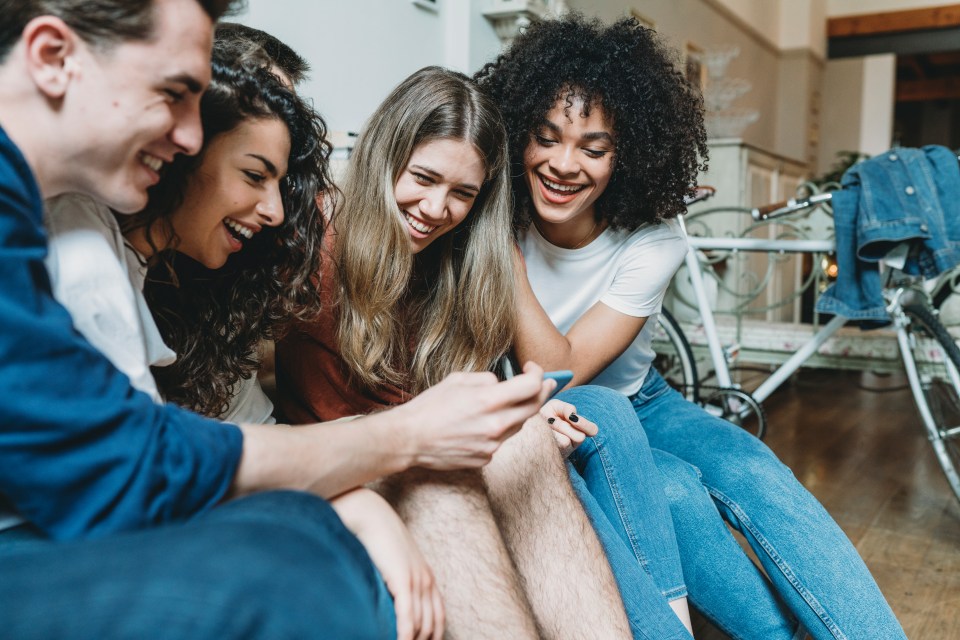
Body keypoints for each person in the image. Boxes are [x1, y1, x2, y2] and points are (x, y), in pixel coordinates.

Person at [0, 2, 552, 638]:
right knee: (296, 564)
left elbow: (156, 436)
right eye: (175, 94)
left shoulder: (105, 240)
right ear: (50, 56)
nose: (187, 135)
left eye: (465, 195)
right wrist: (403, 439)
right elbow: (127, 462)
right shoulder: (76, 237)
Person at [475, 14, 908, 640]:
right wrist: (502, 238)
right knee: (673, 491)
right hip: (551, 420)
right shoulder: (489, 212)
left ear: (626, 156)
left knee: (757, 471)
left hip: (643, 402)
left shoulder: (652, 238)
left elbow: (564, 366)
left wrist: (505, 255)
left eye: (594, 149)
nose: (565, 165)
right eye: (546, 138)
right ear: (519, 136)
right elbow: (546, 383)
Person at [277, 66, 645, 640]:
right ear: (384, 157)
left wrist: (512, 412)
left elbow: (462, 393)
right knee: (444, 483)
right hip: (345, 457)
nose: (436, 208)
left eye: (463, 194)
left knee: (527, 440)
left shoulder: (462, 258)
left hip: (425, 443)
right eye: (423, 178)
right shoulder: (311, 230)